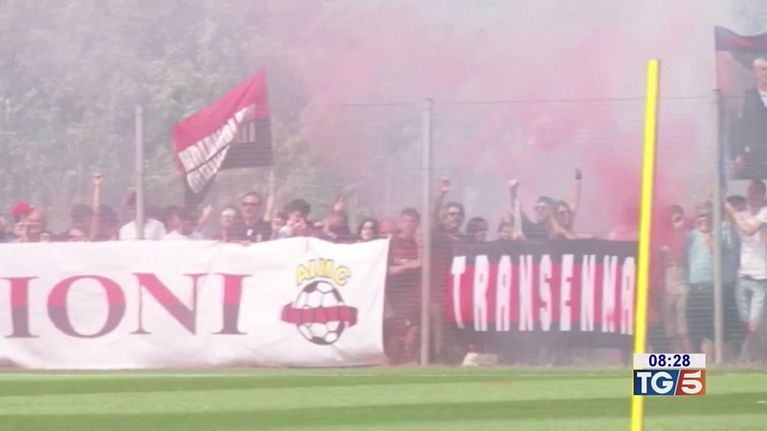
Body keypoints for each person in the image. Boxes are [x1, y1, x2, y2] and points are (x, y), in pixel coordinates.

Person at [687, 202, 739, 359]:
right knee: (702, 334)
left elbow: (717, 249)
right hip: (697, 289)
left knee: (723, 335)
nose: (704, 219)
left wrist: (710, 233)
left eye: (708, 216)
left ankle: (725, 365)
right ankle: (707, 366)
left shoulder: (725, 230)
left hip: (720, 290)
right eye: (700, 216)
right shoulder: (692, 235)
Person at [725, 181, 767, 361]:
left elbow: (749, 230)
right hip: (743, 276)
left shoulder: (764, 213)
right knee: (746, 324)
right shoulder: (742, 214)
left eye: (757, 191)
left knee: (754, 324)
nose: (753, 194)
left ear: (763, 195)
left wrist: (732, 212)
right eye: (751, 191)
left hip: (761, 277)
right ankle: (754, 360)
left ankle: (759, 359)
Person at [385, 208, 422, 364]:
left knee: (413, 331)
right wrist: (407, 266)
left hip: (414, 297)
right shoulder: (391, 242)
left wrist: (420, 245)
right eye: (405, 221)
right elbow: (385, 270)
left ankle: (408, 362)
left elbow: (423, 264)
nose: (408, 224)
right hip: (394, 296)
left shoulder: (418, 243)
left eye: (412, 221)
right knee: (394, 333)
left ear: (417, 224)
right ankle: (392, 364)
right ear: (400, 222)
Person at [659, 204, 691, 353]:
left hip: (682, 286)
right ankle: (675, 361)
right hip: (667, 289)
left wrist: (678, 232)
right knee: (670, 332)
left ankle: (691, 361)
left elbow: (683, 260)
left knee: (682, 330)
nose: (676, 221)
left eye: (679, 218)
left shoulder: (688, 236)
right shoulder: (662, 237)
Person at [734, 57, 767, 179]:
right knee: (756, 182)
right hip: (755, 152)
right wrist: (739, 153)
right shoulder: (748, 96)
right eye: (763, 69)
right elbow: (741, 125)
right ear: (755, 72)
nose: (766, 73)